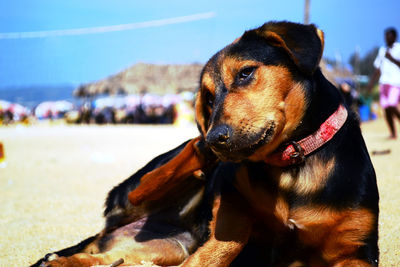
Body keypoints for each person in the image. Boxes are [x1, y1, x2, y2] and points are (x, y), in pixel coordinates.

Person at [368, 27, 400, 139]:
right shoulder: (382, 50)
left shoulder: (399, 49)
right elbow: (378, 68)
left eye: (388, 36)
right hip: (383, 82)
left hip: (395, 82)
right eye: (385, 36)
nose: (386, 38)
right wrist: (371, 82)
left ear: (394, 37)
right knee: (386, 108)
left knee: (392, 105)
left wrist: (391, 58)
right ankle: (393, 133)